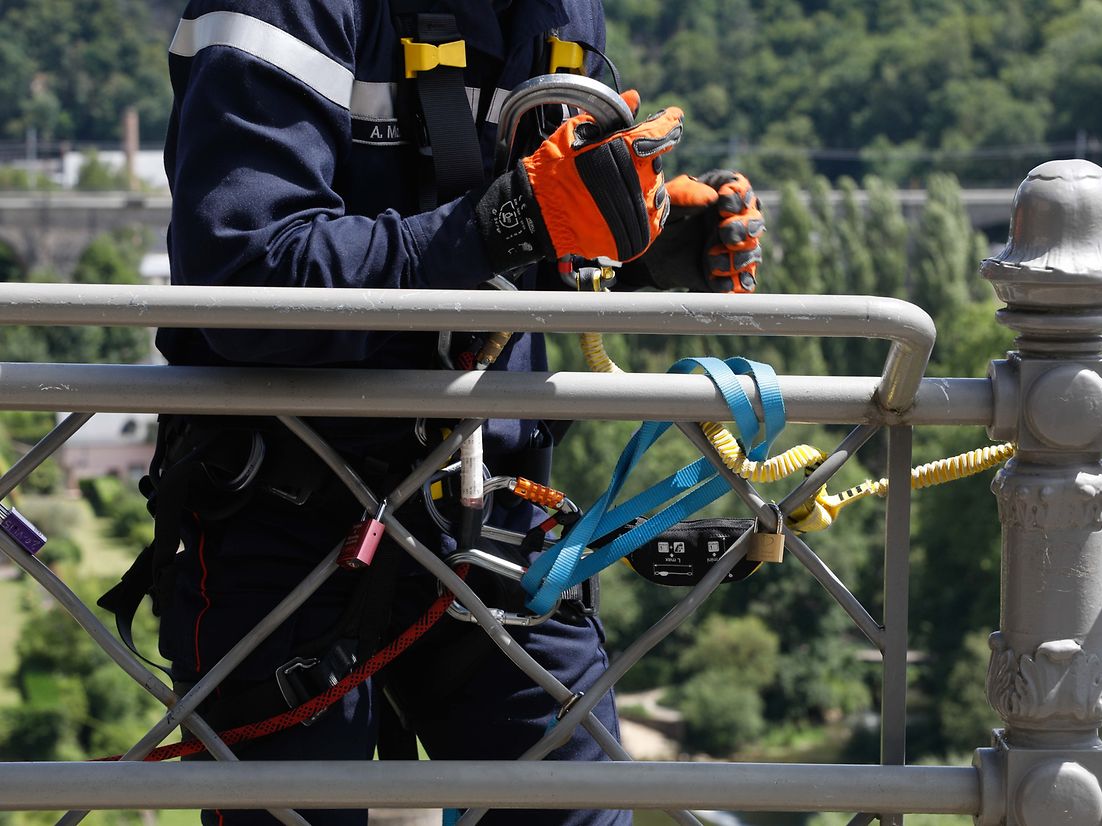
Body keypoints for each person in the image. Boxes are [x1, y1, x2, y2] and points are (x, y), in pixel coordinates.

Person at [141, 1, 765, 825]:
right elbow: (247, 279)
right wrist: (509, 221)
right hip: (288, 518)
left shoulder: (560, 11)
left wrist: (632, 248)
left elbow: (510, 261)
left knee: (581, 808)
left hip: (490, 513)